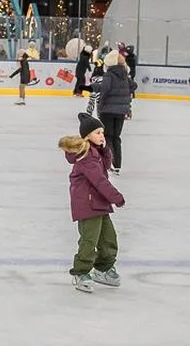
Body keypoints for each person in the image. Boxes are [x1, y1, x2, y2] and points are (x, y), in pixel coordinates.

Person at [58, 113, 125, 293]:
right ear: (87, 136)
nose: (102, 136)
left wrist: (105, 149)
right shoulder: (86, 156)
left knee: (108, 239)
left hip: (99, 202)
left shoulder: (95, 152)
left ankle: (103, 269)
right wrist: (116, 197)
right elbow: (99, 181)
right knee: (89, 241)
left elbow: (106, 166)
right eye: (97, 133)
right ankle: (81, 273)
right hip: (87, 204)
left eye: (102, 132)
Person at [93, 51, 136, 175]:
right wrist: (123, 92)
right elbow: (133, 86)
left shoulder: (109, 75)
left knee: (108, 136)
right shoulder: (124, 74)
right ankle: (117, 165)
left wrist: (100, 103)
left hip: (108, 110)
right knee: (116, 137)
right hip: (121, 111)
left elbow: (105, 90)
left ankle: (110, 161)